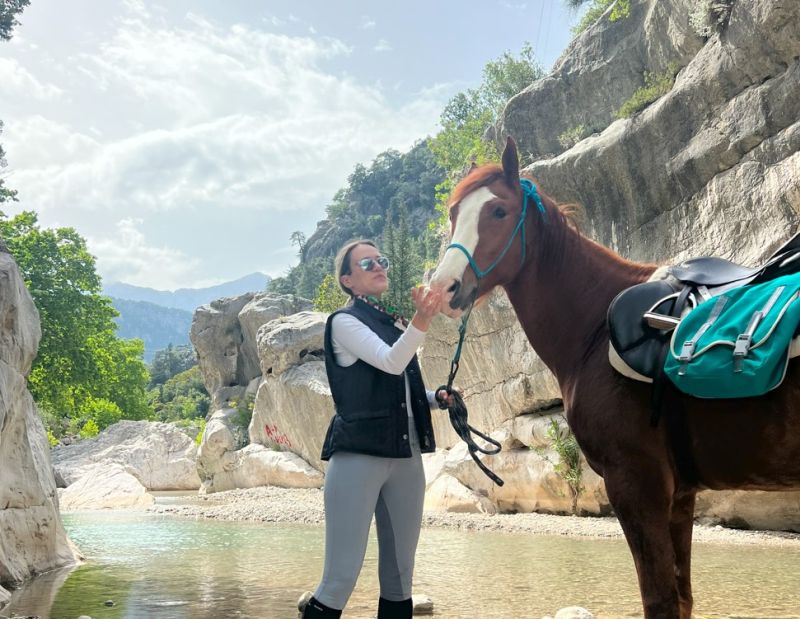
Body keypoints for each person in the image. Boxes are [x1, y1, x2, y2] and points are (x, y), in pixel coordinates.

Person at [303, 239, 452, 619]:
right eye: (366, 263)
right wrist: (422, 320)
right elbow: (390, 362)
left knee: (401, 579)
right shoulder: (344, 322)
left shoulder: (393, 321)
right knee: (340, 578)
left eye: (381, 260)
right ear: (348, 280)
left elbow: (401, 385)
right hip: (358, 457)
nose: (378, 266)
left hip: (407, 454)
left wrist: (436, 397)